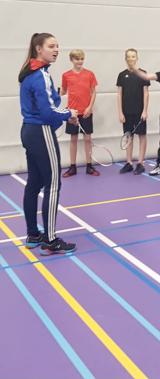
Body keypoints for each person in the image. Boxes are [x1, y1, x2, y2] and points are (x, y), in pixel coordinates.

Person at [19, 33, 79, 255]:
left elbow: (45, 108)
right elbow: (47, 112)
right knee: (53, 184)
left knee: (34, 183)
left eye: (57, 46)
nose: (56, 50)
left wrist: (63, 114)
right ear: (38, 49)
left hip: (28, 131)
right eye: (51, 46)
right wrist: (68, 113)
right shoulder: (40, 76)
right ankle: (51, 240)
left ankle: (33, 234)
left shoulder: (30, 72)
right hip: (41, 132)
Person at [61, 49, 99, 177]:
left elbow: (93, 92)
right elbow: (63, 91)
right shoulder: (66, 75)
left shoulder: (90, 74)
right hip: (72, 113)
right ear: (72, 60)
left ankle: (89, 166)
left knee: (88, 139)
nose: (80, 61)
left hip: (86, 112)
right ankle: (72, 167)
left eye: (82, 59)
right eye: (77, 59)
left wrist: (89, 107)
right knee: (73, 139)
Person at [116, 48, 150, 175]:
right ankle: (129, 163)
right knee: (128, 136)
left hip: (139, 112)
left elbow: (146, 93)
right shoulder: (121, 75)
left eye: (133, 56)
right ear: (126, 59)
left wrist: (145, 111)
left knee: (142, 136)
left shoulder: (143, 74)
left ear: (137, 58)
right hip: (126, 112)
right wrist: (120, 112)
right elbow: (119, 95)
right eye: (129, 57)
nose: (131, 59)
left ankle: (140, 163)